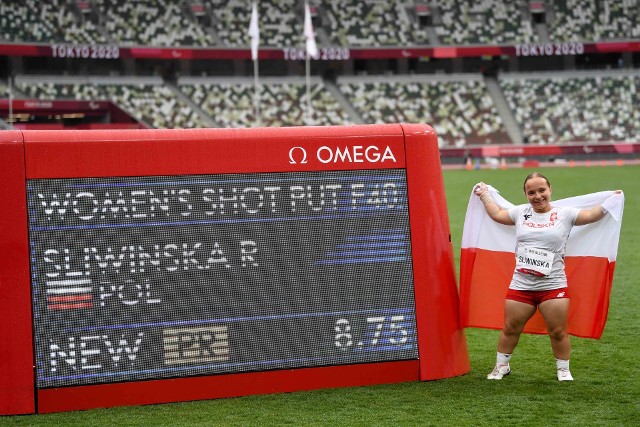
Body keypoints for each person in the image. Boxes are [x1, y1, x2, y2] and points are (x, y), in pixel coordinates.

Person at [473, 172, 621, 382]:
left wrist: (611, 200)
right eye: (531, 192)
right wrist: (484, 194)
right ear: (525, 194)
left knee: (558, 331)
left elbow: (591, 216)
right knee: (510, 329)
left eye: (542, 190)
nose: (537, 196)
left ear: (550, 190)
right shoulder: (519, 213)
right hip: (521, 285)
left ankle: (563, 369)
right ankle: (501, 366)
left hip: (553, 285)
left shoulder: (566, 214)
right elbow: (497, 214)